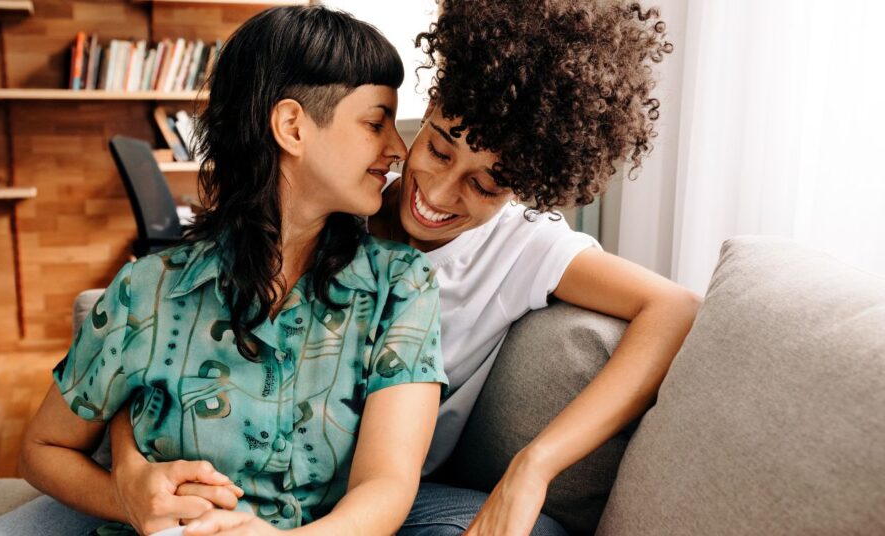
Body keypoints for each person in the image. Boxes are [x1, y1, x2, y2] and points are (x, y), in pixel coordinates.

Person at [111, 1, 695, 536]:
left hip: (382, 494)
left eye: (485, 185)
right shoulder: (339, 191)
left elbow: (673, 307)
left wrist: (535, 465)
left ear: (525, 186)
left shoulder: (523, 248)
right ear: (431, 105)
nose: (436, 194)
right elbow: (163, 347)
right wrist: (128, 468)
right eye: (438, 148)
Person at [0, 6, 450, 536]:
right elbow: (41, 448)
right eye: (376, 123)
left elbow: (386, 484)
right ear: (292, 127)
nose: (397, 149)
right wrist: (125, 497)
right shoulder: (146, 290)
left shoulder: (398, 286)